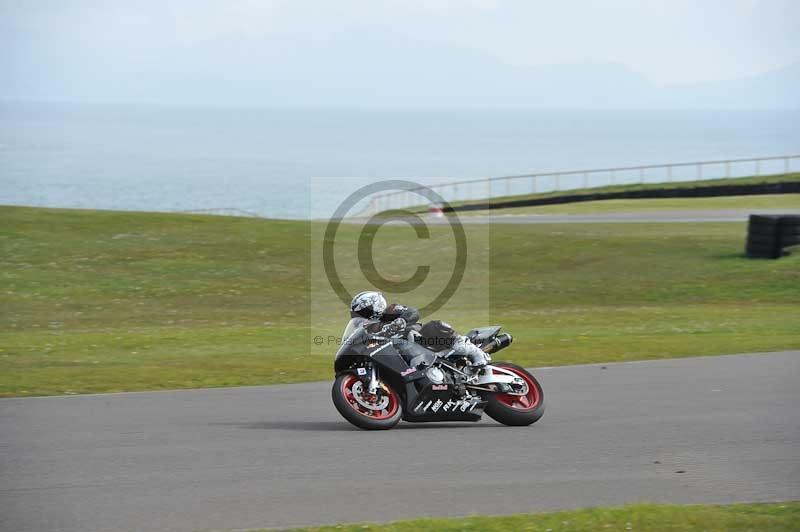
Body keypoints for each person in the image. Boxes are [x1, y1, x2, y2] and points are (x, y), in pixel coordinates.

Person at [349, 290, 490, 371]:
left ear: (373, 306)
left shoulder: (390, 310)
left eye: (363, 312)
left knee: (433, 326)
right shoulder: (367, 329)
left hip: (424, 344)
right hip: (402, 358)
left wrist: (400, 322)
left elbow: (412, 312)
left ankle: (474, 352)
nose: (360, 316)